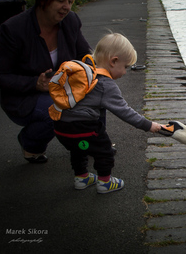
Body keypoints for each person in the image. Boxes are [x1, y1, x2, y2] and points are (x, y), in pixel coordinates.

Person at [0, 0, 91, 163]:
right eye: (60, 0)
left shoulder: (70, 21)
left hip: (60, 90)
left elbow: (85, 55)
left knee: (98, 94)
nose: (66, 7)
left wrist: (95, 71)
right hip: (24, 97)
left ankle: (91, 144)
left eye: (70, 1)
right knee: (59, 109)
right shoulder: (14, 29)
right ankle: (31, 144)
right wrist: (34, 84)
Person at [52, 33, 162, 194]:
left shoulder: (83, 71)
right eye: (125, 67)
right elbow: (124, 111)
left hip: (61, 128)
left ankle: (81, 178)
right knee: (104, 151)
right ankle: (105, 182)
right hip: (84, 130)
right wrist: (148, 125)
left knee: (79, 149)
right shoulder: (105, 84)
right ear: (113, 61)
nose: (125, 72)